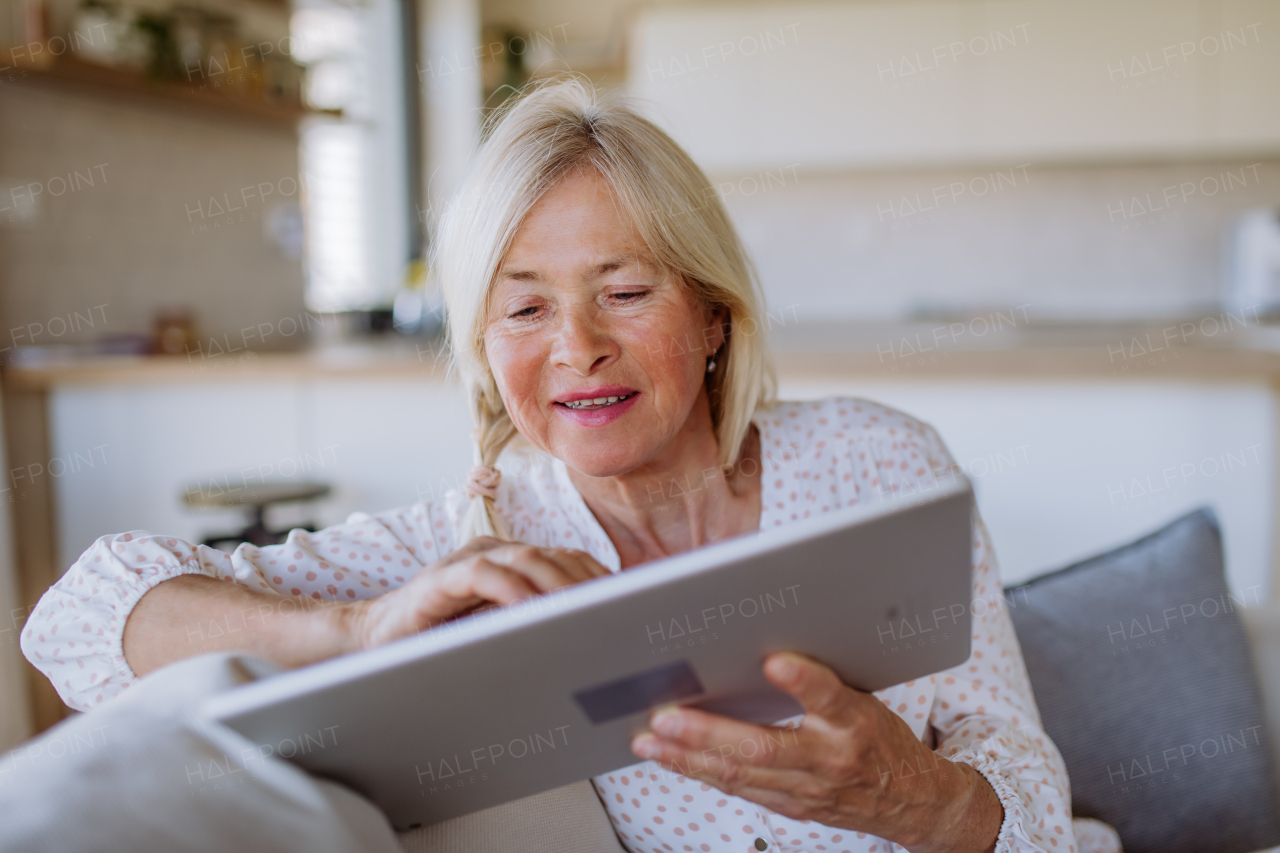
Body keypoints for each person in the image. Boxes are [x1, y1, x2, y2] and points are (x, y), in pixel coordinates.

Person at [19, 77, 1119, 853]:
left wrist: (915, 800)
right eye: (524, 306)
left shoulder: (881, 461)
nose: (575, 346)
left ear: (712, 318)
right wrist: (354, 628)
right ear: (484, 352)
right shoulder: (472, 551)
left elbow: (1014, 764)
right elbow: (77, 619)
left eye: (625, 291)